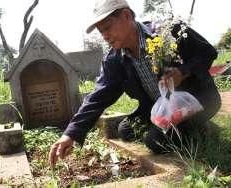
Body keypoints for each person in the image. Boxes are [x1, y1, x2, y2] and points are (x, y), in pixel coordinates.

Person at [49, 0, 221, 167]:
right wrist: (70, 134)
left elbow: (207, 52)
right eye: (101, 32)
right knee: (125, 129)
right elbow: (98, 97)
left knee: (154, 140)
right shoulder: (114, 60)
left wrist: (183, 72)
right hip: (157, 107)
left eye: (107, 27)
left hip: (195, 102)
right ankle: (178, 129)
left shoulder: (168, 30)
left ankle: (203, 129)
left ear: (126, 16)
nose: (105, 36)